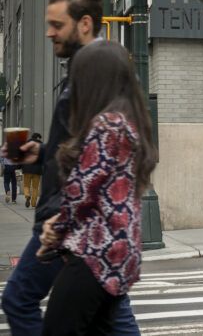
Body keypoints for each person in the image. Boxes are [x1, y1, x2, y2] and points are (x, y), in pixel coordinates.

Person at [1, 0, 141, 335]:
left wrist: (58, 222)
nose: (49, 32)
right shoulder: (87, 74)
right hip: (93, 232)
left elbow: (94, 163)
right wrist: (40, 154)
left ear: (85, 24)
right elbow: (86, 150)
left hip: (75, 221)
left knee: (19, 298)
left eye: (56, 24)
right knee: (110, 314)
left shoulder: (99, 75)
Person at [37, 41, 157, 334]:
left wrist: (55, 232)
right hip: (119, 253)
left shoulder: (106, 125)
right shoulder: (129, 123)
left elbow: (81, 188)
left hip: (94, 252)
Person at [22, 133, 43, 208]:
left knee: (26, 185)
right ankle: (33, 203)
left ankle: (27, 195)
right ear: (38, 138)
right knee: (35, 187)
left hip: (27, 169)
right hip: (37, 170)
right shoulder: (41, 146)